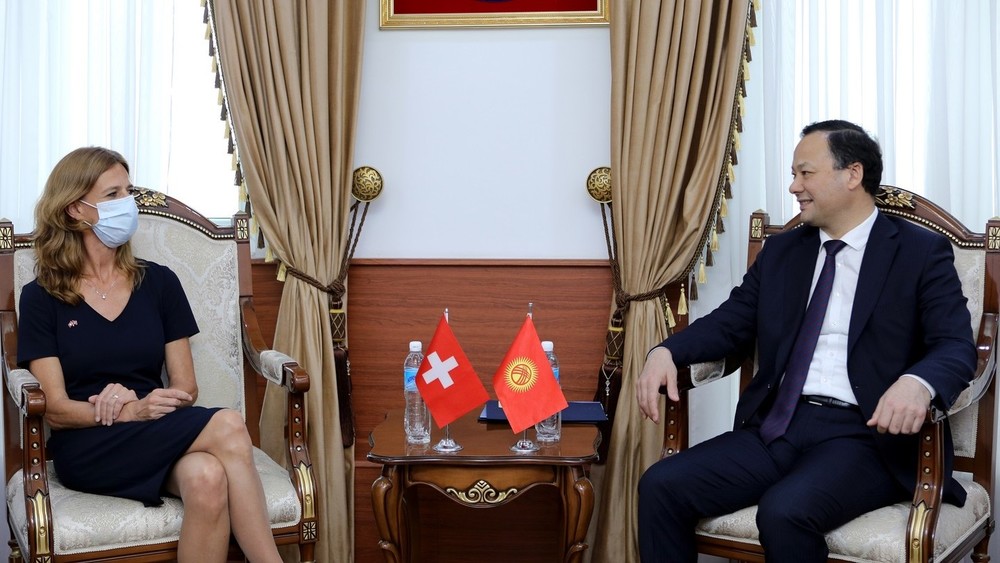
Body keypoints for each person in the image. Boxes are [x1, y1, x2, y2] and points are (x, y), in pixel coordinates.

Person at [635, 120, 977, 562]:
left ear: (852, 174)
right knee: (661, 485)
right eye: (793, 174)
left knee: (785, 511)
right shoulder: (783, 252)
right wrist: (665, 351)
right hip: (778, 425)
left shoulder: (919, 252)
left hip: (866, 437)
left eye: (805, 173)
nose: (794, 186)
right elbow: (730, 323)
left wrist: (917, 382)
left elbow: (955, 345)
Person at [16, 147, 282, 563]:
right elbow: (55, 410)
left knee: (208, 478)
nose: (128, 203)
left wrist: (145, 405)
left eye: (129, 191)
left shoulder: (159, 282)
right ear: (75, 209)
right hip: (89, 446)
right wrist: (127, 412)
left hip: (156, 426)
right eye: (113, 194)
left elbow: (186, 387)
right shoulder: (40, 297)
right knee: (230, 424)